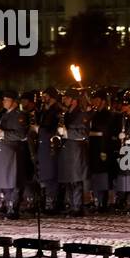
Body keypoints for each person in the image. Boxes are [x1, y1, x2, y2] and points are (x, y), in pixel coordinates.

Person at [0, 90, 29, 219]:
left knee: (12, 182)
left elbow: (21, 134)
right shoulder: (4, 115)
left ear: (14, 102)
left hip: (12, 152)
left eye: (6, 99)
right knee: (2, 181)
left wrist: (3, 134)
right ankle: (3, 206)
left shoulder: (19, 115)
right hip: (2, 151)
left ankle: (12, 208)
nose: (3, 102)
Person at [56, 88, 90, 217]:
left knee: (76, 180)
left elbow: (83, 133)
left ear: (74, 100)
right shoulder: (67, 114)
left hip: (76, 150)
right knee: (68, 180)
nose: (64, 100)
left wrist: (66, 132)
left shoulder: (81, 114)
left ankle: (77, 206)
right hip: (67, 149)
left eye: (67, 98)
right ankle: (71, 205)